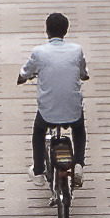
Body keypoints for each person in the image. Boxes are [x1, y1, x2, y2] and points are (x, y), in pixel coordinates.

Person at [16, 10, 87, 178]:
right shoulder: (77, 50)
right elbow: (84, 71)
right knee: (79, 128)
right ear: (66, 30)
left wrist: (22, 78)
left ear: (46, 30)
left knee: (39, 131)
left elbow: (26, 71)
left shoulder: (39, 52)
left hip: (48, 112)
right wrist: (83, 75)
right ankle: (78, 163)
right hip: (73, 110)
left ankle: (39, 170)